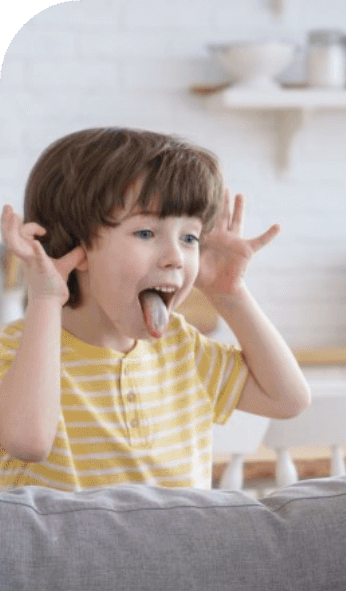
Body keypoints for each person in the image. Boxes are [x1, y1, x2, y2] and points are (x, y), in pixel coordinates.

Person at [0, 127, 310, 490]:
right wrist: (45, 299)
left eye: (189, 237)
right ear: (76, 245)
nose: (176, 257)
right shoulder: (19, 352)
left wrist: (230, 294)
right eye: (146, 233)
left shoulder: (183, 349)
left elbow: (288, 399)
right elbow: (28, 442)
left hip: (178, 547)